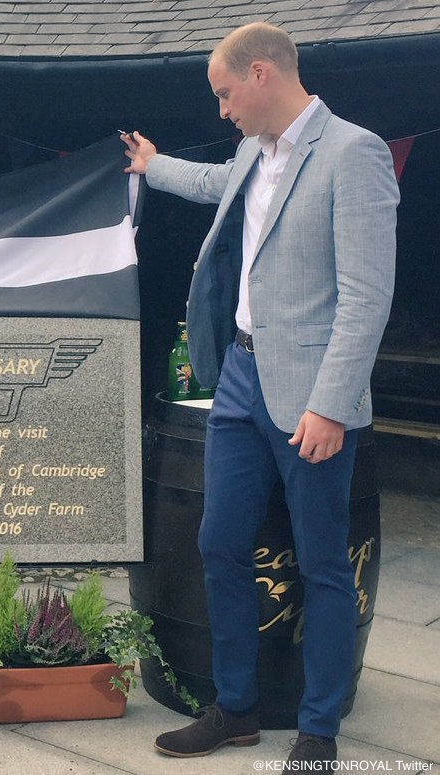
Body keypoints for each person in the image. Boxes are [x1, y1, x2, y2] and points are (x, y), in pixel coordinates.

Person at [122, 21, 398, 773]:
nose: (221, 110)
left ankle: (317, 729)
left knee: (321, 562)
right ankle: (235, 708)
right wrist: (152, 166)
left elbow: (367, 296)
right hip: (238, 380)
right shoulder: (253, 151)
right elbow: (215, 186)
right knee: (219, 541)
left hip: (312, 391)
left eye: (223, 93)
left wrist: (331, 403)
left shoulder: (355, 153)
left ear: (261, 74)